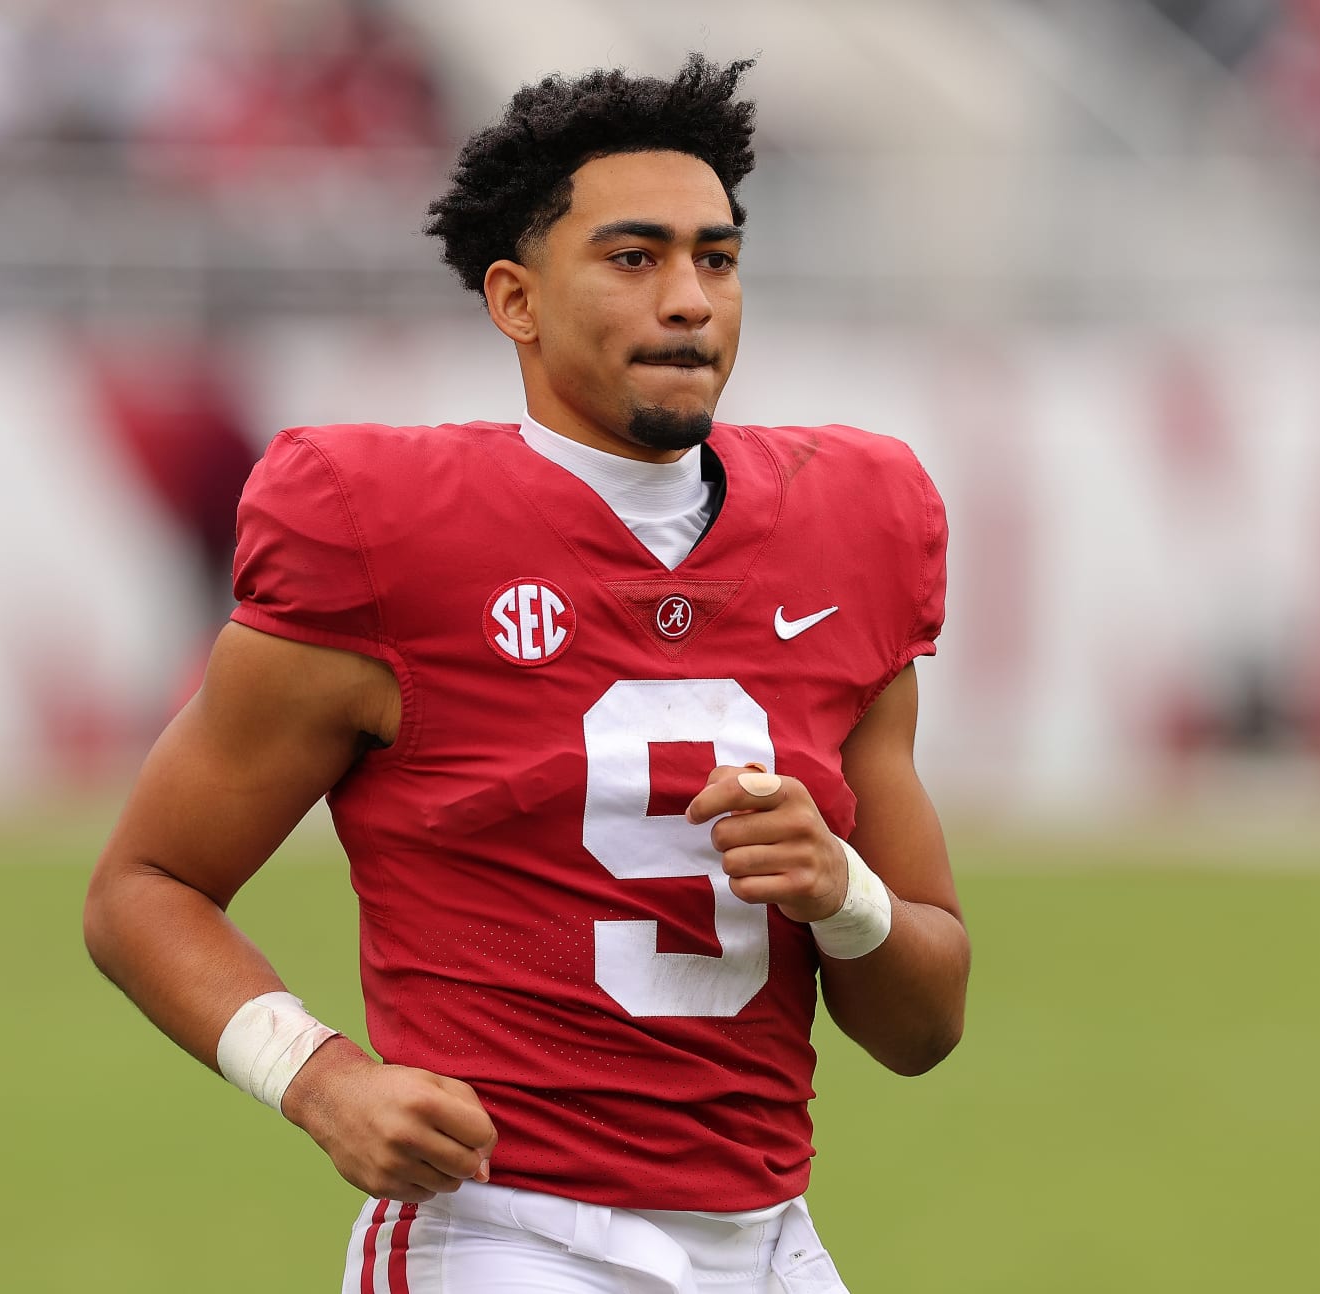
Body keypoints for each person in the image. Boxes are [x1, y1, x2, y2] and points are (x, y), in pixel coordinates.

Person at [84, 54, 969, 1294]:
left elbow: (925, 1025)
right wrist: (316, 1075)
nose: (688, 300)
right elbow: (146, 885)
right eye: (633, 257)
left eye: (716, 258)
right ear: (517, 298)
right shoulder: (383, 525)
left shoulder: (856, 521)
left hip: (774, 1239)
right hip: (505, 1231)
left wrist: (844, 892)